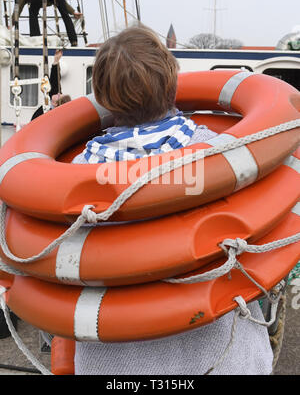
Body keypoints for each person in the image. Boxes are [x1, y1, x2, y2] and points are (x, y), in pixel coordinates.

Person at [72, 25, 274, 375]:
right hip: (222, 359)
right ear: (171, 81)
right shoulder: (223, 156)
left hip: (113, 366)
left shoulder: (70, 175)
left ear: (102, 95)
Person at [12, 0, 82, 46]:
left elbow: (19, 3)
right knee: (65, 14)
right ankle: (74, 40)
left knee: (33, 12)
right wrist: (73, 12)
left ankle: (36, 39)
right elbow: (64, 4)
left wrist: (13, 21)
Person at [31, 49, 71, 120]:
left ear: (55, 104)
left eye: (59, 95)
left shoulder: (49, 112)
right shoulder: (53, 100)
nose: (59, 93)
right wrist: (56, 61)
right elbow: (55, 82)